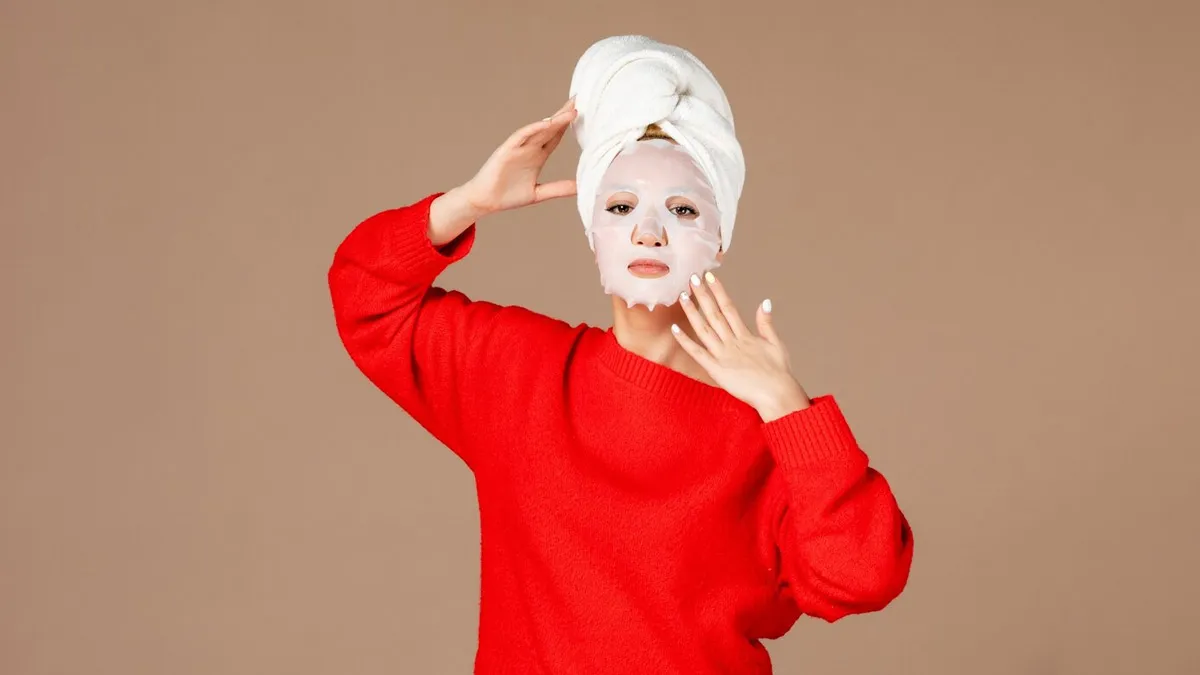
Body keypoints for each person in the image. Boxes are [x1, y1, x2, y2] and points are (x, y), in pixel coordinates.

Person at [329, 35, 913, 675]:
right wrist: (469, 201)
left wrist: (788, 408)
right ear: (593, 230)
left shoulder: (768, 435)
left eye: (682, 208)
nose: (648, 230)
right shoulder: (517, 371)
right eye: (620, 205)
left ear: (719, 238)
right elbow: (365, 295)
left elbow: (863, 578)